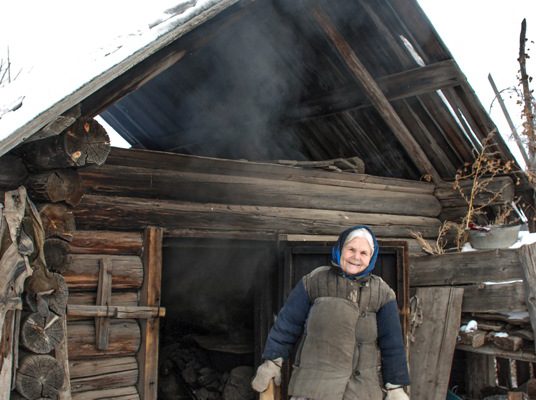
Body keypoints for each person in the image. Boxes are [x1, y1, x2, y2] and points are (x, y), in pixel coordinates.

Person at [251, 225, 410, 400]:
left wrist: (395, 386)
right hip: (314, 389)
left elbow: (392, 343)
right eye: (351, 249)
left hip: (362, 391)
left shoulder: (382, 292)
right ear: (340, 248)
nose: (356, 257)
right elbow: (287, 324)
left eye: (364, 253)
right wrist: (272, 362)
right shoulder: (315, 281)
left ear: (371, 257)